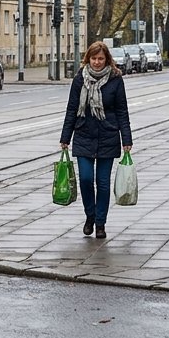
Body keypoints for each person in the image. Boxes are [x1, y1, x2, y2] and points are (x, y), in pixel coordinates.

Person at [60, 41, 133, 240]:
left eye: (101, 59)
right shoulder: (79, 79)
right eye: (94, 58)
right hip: (83, 134)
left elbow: (122, 111)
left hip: (108, 135)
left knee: (102, 183)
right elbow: (72, 109)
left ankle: (100, 222)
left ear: (107, 59)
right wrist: (65, 137)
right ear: (88, 59)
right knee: (85, 179)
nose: (97, 62)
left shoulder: (116, 79)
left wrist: (126, 138)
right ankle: (90, 216)